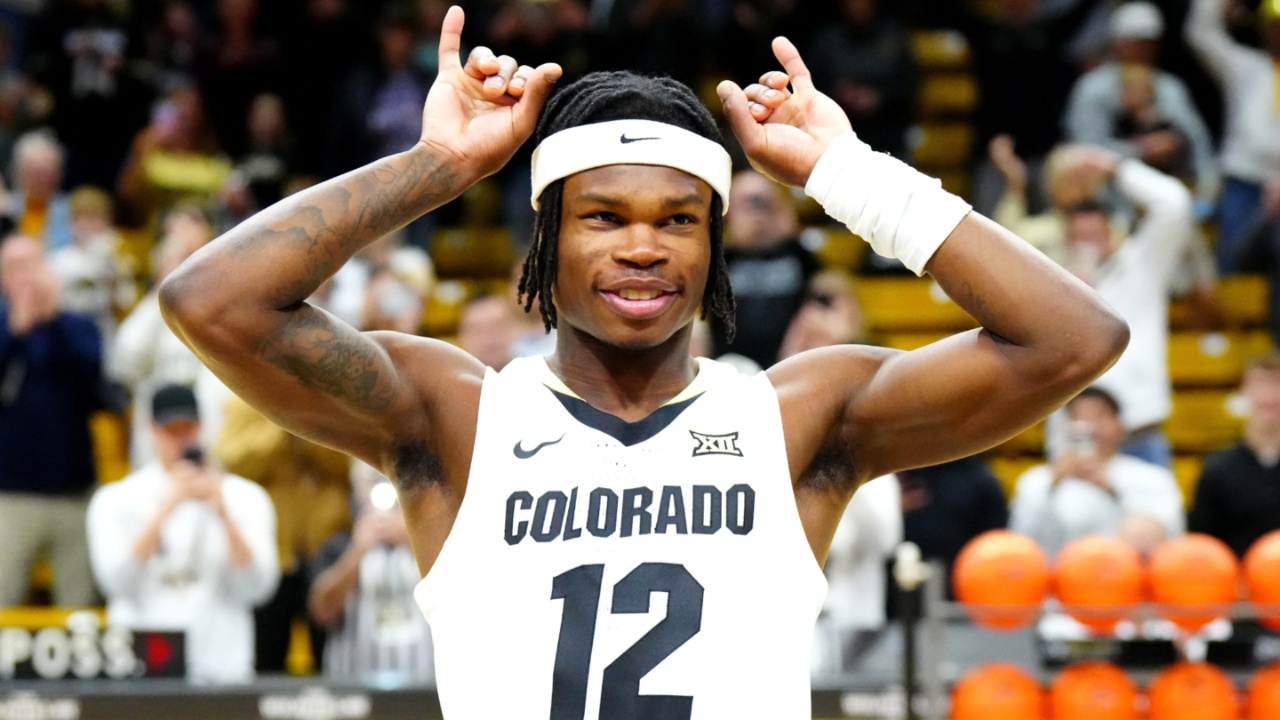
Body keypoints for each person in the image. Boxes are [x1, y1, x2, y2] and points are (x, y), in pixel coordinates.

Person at [158, 7, 1127, 717]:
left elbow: (1073, 339)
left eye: (676, 220)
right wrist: (436, 169)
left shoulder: (793, 418)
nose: (642, 249)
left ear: (713, 243)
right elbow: (210, 302)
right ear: (545, 235)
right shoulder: (455, 417)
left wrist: (845, 174)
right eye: (602, 217)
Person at [86, 384, 279, 684]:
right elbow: (116, 582)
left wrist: (224, 515)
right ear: (152, 431)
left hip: (223, 670)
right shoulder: (116, 499)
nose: (181, 439)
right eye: (171, 430)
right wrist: (168, 507)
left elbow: (258, 588)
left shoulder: (244, 497)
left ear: (201, 427)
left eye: (187, 428)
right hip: (140, 671)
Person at [0, 235, 103, 607]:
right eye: (16, 267)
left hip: (74, 491)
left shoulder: (76, 326)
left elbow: (93, 381)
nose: (27, 277)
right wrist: (14, 331)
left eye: (33, 264)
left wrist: (52, 321)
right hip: (10, 493)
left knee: (79, 610)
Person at [1062, 1, 1218, 211]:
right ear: (1118, 42)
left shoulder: (1169, 88)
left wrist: (1207, 189)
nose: (1143, 49)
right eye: (1135, 41)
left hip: (1166, 191)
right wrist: (1141, 149)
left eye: (1149, 42)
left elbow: (1196, 140)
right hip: (1107, 201)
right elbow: (1085, 151)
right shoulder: (1093, 88)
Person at [1010, 386, 1185, 557]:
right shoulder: (1037, 481)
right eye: (1080, 416)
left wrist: (1113, 492)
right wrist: (1053, 485)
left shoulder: (1153, 478)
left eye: (1100, 416)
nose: (1091, 426)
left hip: (1126, 580)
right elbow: (1021, 543)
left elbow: (1171, 540)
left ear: (1120, 425)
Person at [309, 461, 434, 685]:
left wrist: (413, 540)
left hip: (426, 687)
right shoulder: (339, 545)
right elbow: (322, 612)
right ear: (357, 491)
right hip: (354, 687)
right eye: (371, 482)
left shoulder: (432, 545)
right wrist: (358, 552)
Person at [1185, 0, 1280, 272]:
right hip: (1242, 178)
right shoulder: (1246, 66)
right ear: (1263, 30)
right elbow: (1200, 33)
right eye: (1273, 26)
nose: (1278, 32)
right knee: (1231, 257)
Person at [1189, 352, 1280, 558]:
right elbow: (1202, 544)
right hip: (1234, 583)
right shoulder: (1218, 468)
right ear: (1244, 391)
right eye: (1260, 384)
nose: (1269, 395)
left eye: (1276, 384)